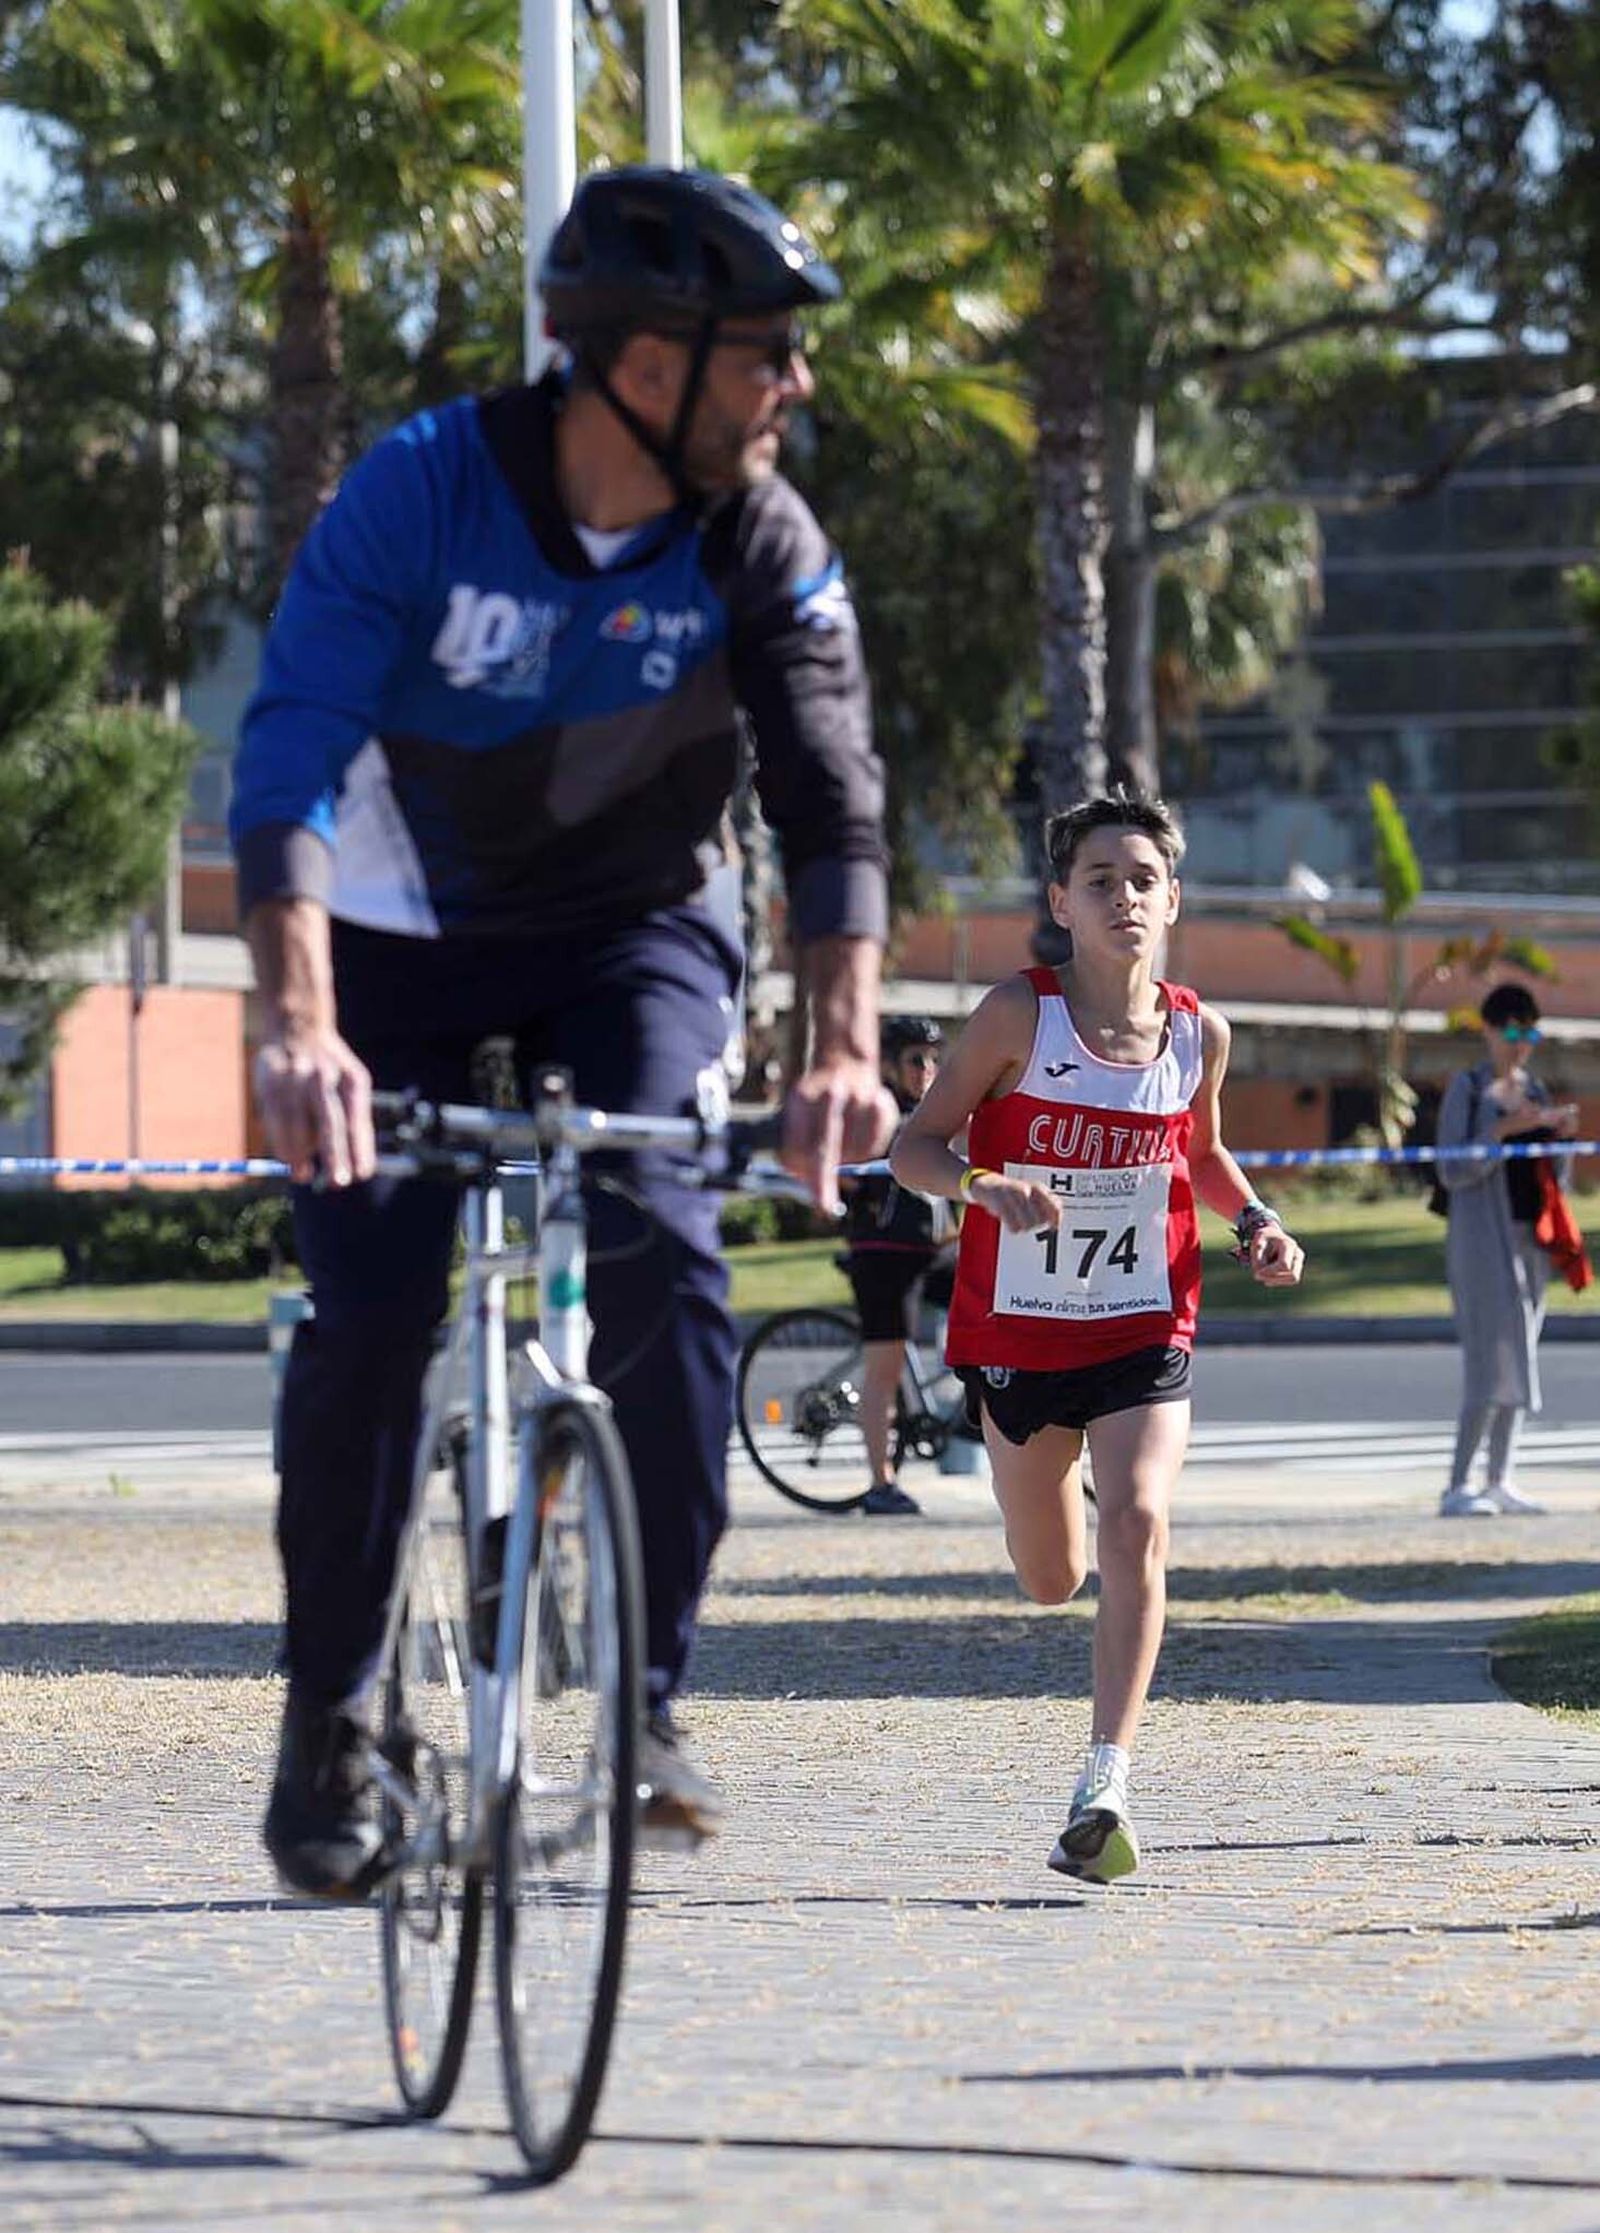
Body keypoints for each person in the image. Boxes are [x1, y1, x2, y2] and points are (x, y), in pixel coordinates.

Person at [229, 166, 894, 1896]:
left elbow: (831, 804)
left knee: (669, 1251)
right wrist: (298, 1027)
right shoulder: (420, 494)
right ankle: (331, 1713)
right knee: (371, 1316)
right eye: (764, 354)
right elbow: (287, 754)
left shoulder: (761, 536)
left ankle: (648, 1698)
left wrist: (838, 1046)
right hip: (399, 937)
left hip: (638, 931)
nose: (793, 387)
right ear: (645, 364)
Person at [890, 790, 1305, 1883]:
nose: (1123, 895)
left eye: (1141, 878)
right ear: (1060, 903)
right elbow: (913, 1147)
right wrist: (986, 1184)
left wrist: (1254, 1221)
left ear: (1171, 899)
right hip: (1018, 1334)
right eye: (1099, 879)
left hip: (1144, 1325)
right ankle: (1051, 1492)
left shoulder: (1193, 1030)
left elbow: (1202, 1156)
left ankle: (1104, 1778)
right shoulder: (1015, 1017)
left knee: (1136, 1522)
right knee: (1048, 1577)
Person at [1435, 983, 1578, 1518]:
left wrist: (1556, 1134)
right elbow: (1451, 1168)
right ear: (1490, 1031)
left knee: (1521, 1355)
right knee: (1485, 1363)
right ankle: (1457, 1484)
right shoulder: (1467, 1089)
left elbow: (1551, 1177)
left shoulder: (1534, 1087)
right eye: (1513, 1032)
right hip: (1479, 1240)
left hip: (1528, 1240)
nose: (1521, 1045)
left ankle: (1500, 1478)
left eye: (1531, 1034)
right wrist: (1501, 1130)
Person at [841, 1014, 955, 1515]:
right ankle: (879, 1482)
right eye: (915, 1060)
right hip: (884, 1253)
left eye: (934, 1059)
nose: (926, 1069)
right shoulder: (875, 1110)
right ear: (888, 1064)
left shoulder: (933, 1111)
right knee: (884, 1368)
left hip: (932, 1249)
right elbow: (844, 1178)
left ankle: (973, 1410)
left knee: (994, 1300)